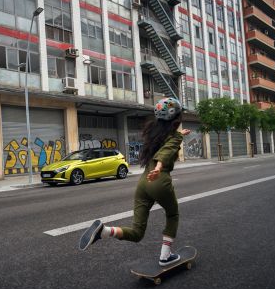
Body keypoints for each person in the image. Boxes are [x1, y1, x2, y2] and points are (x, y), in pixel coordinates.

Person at [79, 97, 191, 266]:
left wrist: (179, 136)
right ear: (177, 119)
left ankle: (105, 231)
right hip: (158, 179)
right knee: (173, 214)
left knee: (137, 233)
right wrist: (159, 167)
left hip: (143, 184)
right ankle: (165, 256)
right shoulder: (174, 137)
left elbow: (166, 143)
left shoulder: (155, 133)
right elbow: (167, 151)